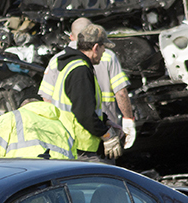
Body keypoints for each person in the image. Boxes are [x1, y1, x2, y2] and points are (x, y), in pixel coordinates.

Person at [41, 18, 136, 150]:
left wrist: (105, 121)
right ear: (96, 47)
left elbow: (47, 100)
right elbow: (85, 113)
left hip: (70, 138)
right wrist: (108, 133)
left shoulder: (59, 61)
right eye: (103, 48)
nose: (104, 53)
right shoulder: (81, 70)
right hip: (85, 143)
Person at [0, 97, 77, 160]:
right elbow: (73, 161)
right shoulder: (62, 127)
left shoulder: (12, 117)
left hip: (19, 176)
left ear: (23, 107)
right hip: (53, 180)